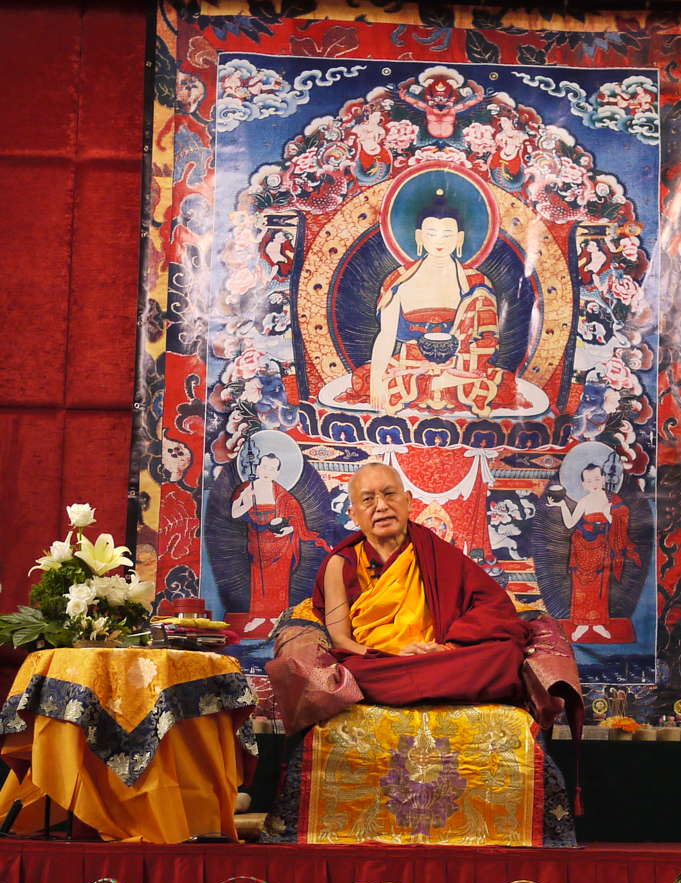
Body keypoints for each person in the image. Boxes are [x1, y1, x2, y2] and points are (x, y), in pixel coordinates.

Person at [266, 462, 583, 743]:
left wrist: (446, 649)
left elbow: (495, 608)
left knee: (505, 656)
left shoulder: (434, 552)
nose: (381, 506)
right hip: (377, 662)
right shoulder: (341, 563)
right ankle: (428, 683)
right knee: (347, 674)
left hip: (435, 656)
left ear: (408, 501)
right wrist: (389, 655)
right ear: (353, 515)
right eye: (368, 499)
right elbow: (340, 639)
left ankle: (410, 685)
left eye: (390, 495)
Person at [338, 192, 528, 417]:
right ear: (419, 237)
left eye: (447, 235)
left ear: (459, 238)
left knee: (506, 386)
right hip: (410, 365)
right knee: (365, 380)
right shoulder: (399, 280)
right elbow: (386, 335)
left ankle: (439, 382)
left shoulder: (477, 283)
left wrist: (457, 363)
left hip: (460, 366)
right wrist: (378, 380)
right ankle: (439, 383)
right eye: (431, 233)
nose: (439, 241)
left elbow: (486, 339)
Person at [230, 452, 329, 629]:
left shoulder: (282, 494)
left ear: (277, 473)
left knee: (280, 581)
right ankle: (259, 617)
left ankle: (278, 616)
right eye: (264, 467)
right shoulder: (249, 489)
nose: (267, 471)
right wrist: (249, 501)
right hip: (258, 542)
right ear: (258, 468)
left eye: (272, 469)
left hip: (281, 544)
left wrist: (289, 529)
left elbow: (295, 518)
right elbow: (234, 513)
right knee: (259, 582)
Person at [549, 462, 641, 641]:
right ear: (584, 485)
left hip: (603, 548)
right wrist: (561, 506)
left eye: (597, 478)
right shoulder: (584, 501)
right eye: (589, 480)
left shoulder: (612, 500)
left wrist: (608, 514)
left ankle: (598, 623)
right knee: (581, 588)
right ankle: (582, 624)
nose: (594, 483)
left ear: (604, 479)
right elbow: (570, 524)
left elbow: (620, 524)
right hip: (582, 547)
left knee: (600, 588)